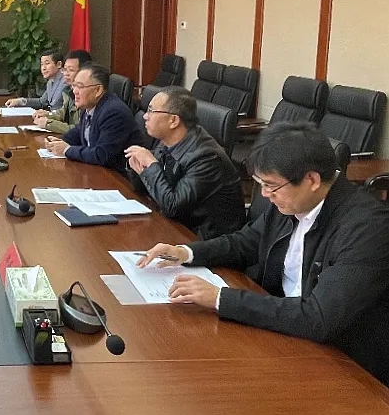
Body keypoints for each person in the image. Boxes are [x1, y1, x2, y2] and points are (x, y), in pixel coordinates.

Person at [137, 122, 389, 385]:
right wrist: (185, 252)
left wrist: (221, 298)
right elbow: (244, 243)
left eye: (271, 186)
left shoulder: (368, 228)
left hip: (345, 365)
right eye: (262, 184)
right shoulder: (292, 202)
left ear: (312, 180)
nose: (266, 195)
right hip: (282, 331)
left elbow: (319, 317)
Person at [124, 87, 245, 239]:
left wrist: (152, 165)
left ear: (174, 120)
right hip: (177, 226)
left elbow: (173, 206)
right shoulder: (168, 140)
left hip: (204, 240)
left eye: (151, 111)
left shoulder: (206, 157)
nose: (145, 116)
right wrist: (139, 167)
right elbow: (147, 190)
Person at [45, 64, 140, 173]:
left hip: (115, 177)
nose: (74, 91)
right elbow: (79, 131)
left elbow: (102, 154)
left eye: (80, 86)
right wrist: (59, 141)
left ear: (98, 90)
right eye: (74, 85)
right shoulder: (90, 106)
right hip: (95, 171)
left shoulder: (113, 112)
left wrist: (67, 149)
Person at [31, 50, 92, 133]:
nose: (66, 74)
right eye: (65, 69)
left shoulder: (88, 94)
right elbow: (62, 113)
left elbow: (81, 130)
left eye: (71, 70)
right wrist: (48, 115)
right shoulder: (68, 90)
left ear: (85, 71)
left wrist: (48, 123)